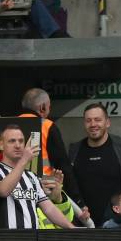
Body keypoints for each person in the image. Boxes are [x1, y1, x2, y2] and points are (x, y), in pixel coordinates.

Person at [69, 103, 121, 227]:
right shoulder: (74, 151)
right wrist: (79, 207)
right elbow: (69, 185)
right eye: (88, 120)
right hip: (85, 224)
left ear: (107, 122)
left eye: (98, 120)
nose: (93, 124)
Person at [0, 124, 74, 229]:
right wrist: (24, 160)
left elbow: (48, 208)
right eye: (12, 141)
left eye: (21, 141)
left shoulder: (32, 176)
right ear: (1, 144)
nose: (17, 145)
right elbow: (3, 191)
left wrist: (71, 228)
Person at [20, 88, 86, 218]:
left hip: (15, 191)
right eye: (49, 107)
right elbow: (64, 167)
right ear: (43, 108)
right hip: (45, 193)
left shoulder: (6, 125)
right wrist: (78, 201)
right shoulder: (47, 126)